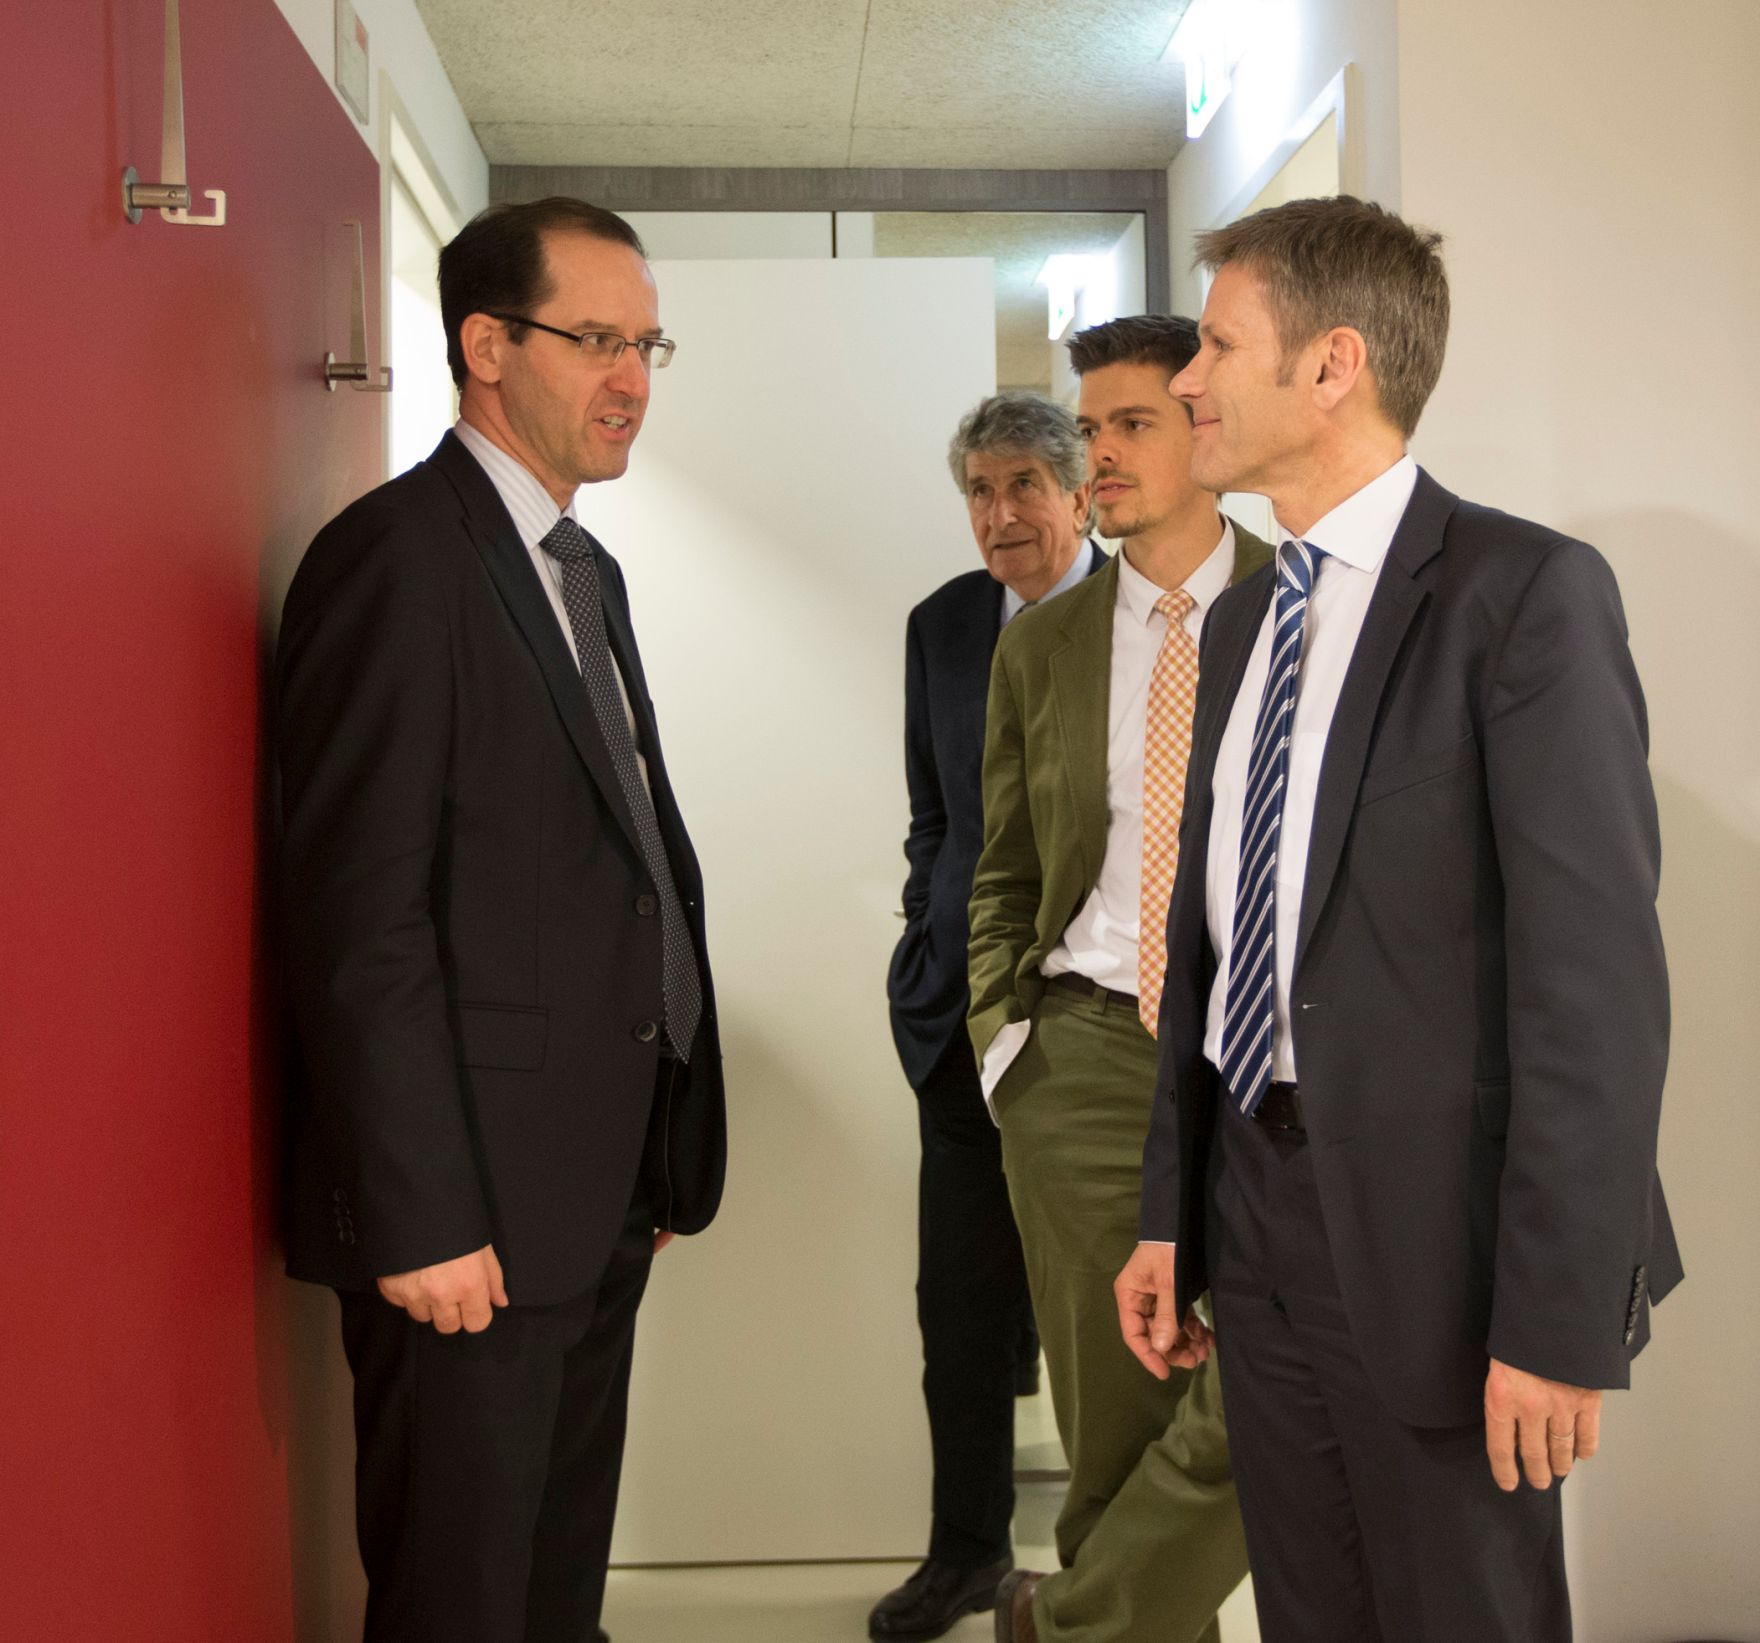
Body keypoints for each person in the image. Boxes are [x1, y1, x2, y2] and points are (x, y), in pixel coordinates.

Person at [1116, 196, 1680, 1642]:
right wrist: (1169, 1214)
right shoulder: (1244, 620)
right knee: (1313, 1613)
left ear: (1332, 365)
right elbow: (1214, 944)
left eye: (1218, 345)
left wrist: (1556, 1322)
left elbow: (1592, 989)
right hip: (1257, 1215)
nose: (1187, 383)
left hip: (1447, 1247)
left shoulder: (1524, 596)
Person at [276, 197, 725, 1643]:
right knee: (459, 1600)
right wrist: (420, 1212)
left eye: (645, 342)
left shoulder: (576, 567)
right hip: (462, 1218)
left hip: (589, 1193)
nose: (631, 376)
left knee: (552, 1591)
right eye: (596, 338)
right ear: (486, 344)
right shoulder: (399, 558)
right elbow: (361, 917)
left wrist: (649, 1147)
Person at [969, 318, 1268, 1643]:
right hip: (1083, 1055)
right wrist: (1005, 1047)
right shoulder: (1043, 640)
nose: (1098, 456)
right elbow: (1002, 866)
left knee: (1274, 1373)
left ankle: (1069, 1621)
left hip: (1262, 1058)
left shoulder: (1306, 606)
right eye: (1089, 430)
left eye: (1131, 423)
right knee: (1114, 1421)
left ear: (1207, 426)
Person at [873, 393, 1103, 1643]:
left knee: (1094, 1315)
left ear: (1079, 492)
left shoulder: (1142, 622)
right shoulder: (943, 625)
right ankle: (965, 1551)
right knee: (956, 1307)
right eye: (977, 488)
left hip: (1091, 1028)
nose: (999, 513)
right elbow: (932, 812)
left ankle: (1103, 1574)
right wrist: (928, 930)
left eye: (1023, 485)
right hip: (960, 1021)